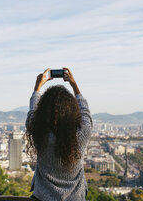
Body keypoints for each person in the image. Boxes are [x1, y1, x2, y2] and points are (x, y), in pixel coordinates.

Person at [25, 68, 93, 201]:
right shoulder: (80, 135)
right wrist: (74, 86)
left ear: (43, 111)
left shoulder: (39, 132)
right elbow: (85, 113)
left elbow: (33, 111)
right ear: (72, 110)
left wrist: (37, 87)